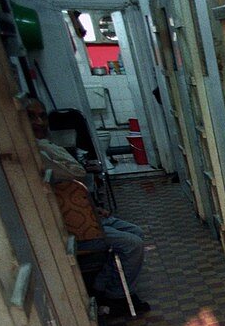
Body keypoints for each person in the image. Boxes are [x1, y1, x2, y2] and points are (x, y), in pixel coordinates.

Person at [25, 99, 150, 314]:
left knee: (135, 232)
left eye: (42, 116)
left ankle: (101, 288)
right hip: (69, 227)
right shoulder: (36, 152)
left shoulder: (47, 145)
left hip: (84, 216)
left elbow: (75, 182)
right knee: (132, 244)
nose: (39, 122)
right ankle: (116, 296)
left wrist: (92, 209)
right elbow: (75, 173)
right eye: (31, 117)